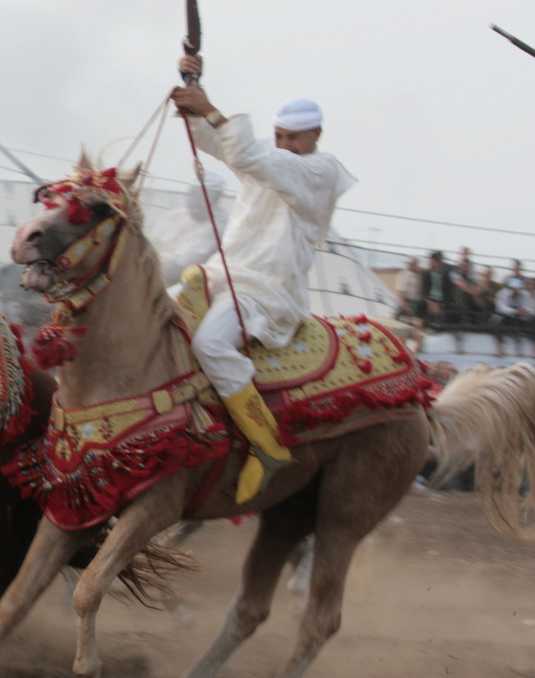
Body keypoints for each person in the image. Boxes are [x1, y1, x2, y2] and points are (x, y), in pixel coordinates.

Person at [171, 56, 356, 503]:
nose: (286, 144)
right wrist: (190, 89)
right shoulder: (267, 160)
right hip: (220, 276)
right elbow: (221, 144)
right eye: (280, 136)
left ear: (316, 136)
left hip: (265, 292)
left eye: (294, 137)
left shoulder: (320, 171)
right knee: (157, 313)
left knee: (210, 344)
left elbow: (247, 151)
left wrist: (208, 106)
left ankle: (267, 444)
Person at [394, 256, 423, 324]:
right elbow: (401, 290)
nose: (410, 266)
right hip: (407, 301)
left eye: (412, 264)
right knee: (397, 315)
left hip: (417, 302)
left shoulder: (421, 275)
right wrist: (404, 303)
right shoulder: (405, 275)